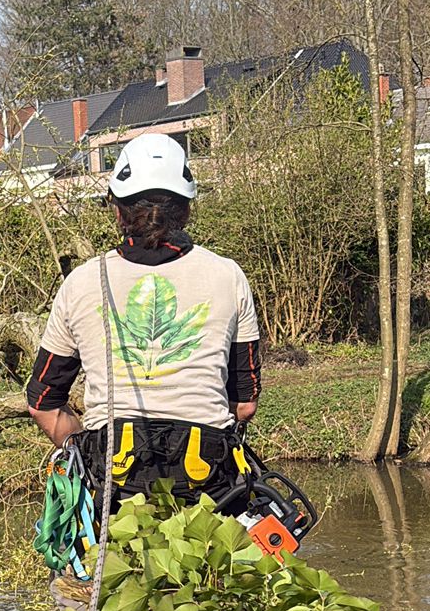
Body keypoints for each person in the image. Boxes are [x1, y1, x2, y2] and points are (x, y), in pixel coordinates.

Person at [26, 131, 261, 514]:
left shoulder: (82, 283)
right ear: (186, 210)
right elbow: (245, 404)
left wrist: (85, 453)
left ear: (117, 210)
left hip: (115, 486)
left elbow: (42, 404)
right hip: (209, 482)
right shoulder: (228, 275)